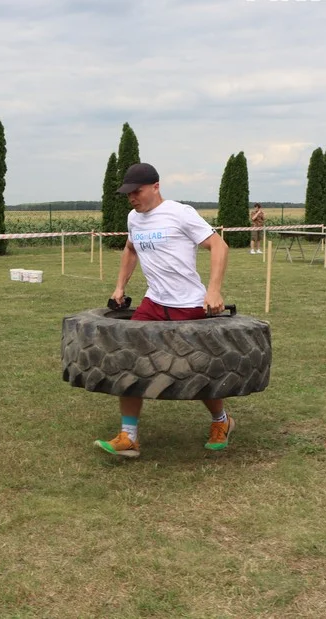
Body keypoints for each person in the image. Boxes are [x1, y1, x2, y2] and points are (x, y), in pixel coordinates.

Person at [96, 162, 232, 458]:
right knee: (130, 362)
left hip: (188, 305)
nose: (132, 198)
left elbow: (219, 247)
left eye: (137, 192)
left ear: (155, 186)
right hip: (153, 303)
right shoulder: (134, 218)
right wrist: (120, 287)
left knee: (196, 369)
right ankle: (128, 437)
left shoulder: (180, 213)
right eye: (128, 194)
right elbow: (131, 249)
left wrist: (214, 290)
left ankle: (221, 421)